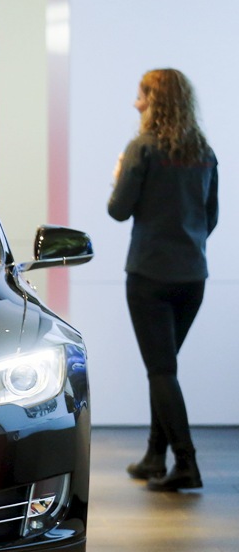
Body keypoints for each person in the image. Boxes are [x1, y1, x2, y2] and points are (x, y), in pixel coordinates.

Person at [108, 68, 217, 492]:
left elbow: (119, 210)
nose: (136, 103)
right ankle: (156, 455)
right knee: (165, 369)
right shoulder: (203, 150)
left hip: (149, 274)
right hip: (193, 277)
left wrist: (119, 175)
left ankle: (185, 461)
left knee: (160, 370)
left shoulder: (142, 149)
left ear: (155, 101)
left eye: (141, 96)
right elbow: (211, 218)